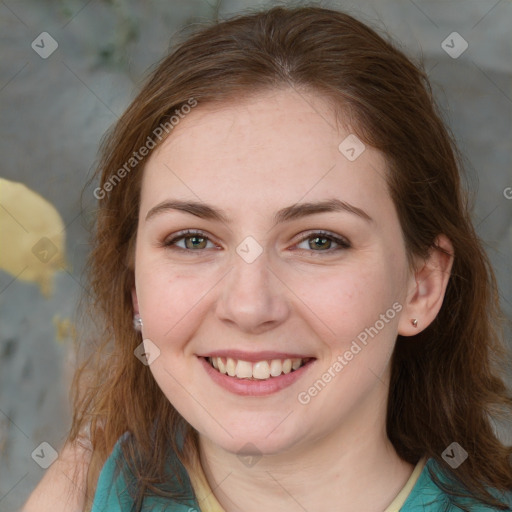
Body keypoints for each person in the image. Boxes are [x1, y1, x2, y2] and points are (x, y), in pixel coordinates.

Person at [22, 5, 512, 512]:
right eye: (192, 240)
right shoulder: (83, 490)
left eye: (319, 241)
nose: (249, 306)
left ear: (421, 286)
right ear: (135, 288)